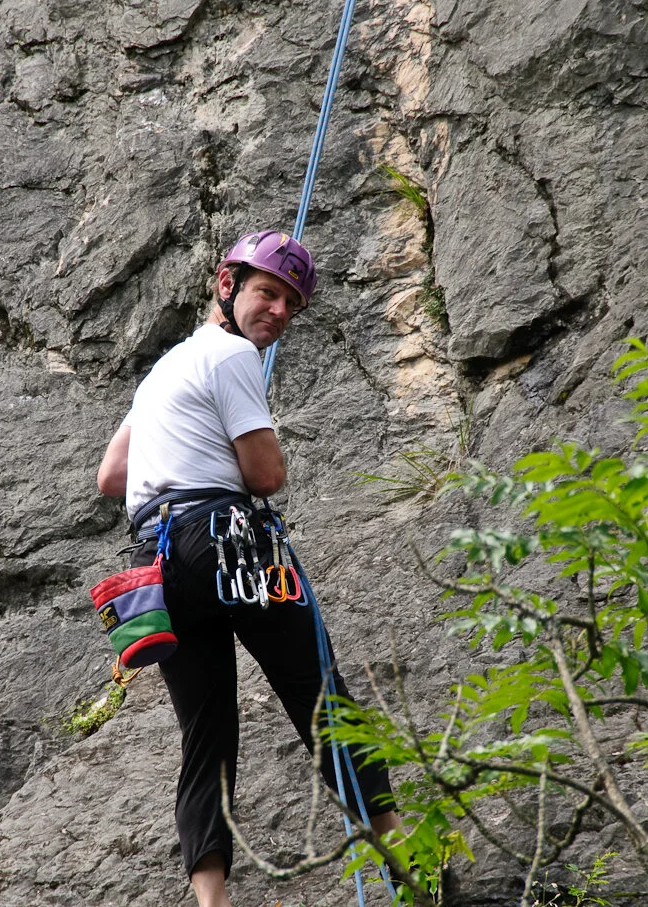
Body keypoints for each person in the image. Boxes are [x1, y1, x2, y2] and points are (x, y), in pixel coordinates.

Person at [97, 231, 400, 907]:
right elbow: (265, 473)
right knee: (321, 698)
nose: (279, 312)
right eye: (268, 292)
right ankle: (415, 863)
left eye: (291, 303)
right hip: (227, 540)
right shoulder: (232, 354)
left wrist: (185, 451)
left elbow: (112, 476)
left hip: (156, 563)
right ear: (226, 285)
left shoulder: (161, 373)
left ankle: (213, 902)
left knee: (206, 736)